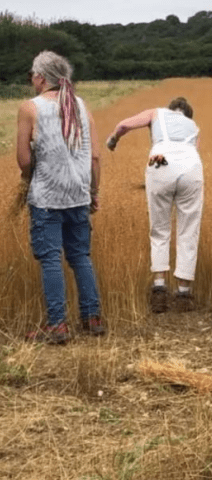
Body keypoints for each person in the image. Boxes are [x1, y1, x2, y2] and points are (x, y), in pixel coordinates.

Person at [17, 51, 103, 344]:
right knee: (80, 257)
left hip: (47, 197)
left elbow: (23, 159)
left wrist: (28, 180)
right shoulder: (81, 106)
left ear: (40, 77)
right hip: (79, 195)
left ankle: (58, 325)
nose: (32, 81)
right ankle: (92, 318)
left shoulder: (31, 108)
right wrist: (93, 193)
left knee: (51, 258)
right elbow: (94, 158)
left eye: (32, 76)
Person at [106, 97, 204, 313]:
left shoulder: (156, 112)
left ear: (170, 109)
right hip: (192, 167)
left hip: (160, 162)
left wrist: (113, 139)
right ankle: (184, 293)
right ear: (187, 114)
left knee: (159, 229)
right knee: (189, 229)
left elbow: (123, 125)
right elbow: (193, 152)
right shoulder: (194, 127)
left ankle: (159, 288)